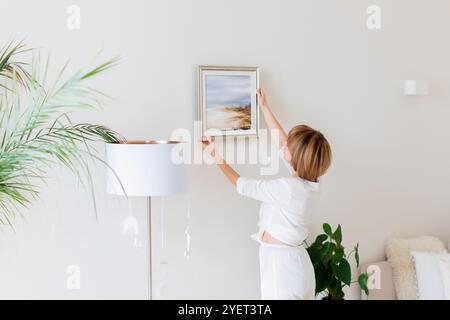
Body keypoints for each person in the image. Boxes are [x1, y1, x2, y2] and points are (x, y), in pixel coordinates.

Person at [202, 88, 332, 300]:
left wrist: (214, 154)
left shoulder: (288, 189)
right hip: (299, 268)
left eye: (290, 145)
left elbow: (241, 184)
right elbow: (283, 144)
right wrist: (264, 106)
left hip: (282, 271)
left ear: (296, 158)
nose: (285, 144)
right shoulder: (311, 183)